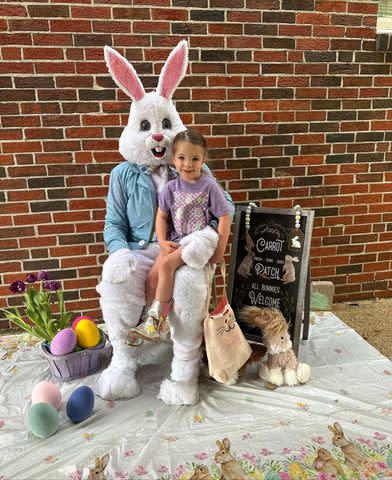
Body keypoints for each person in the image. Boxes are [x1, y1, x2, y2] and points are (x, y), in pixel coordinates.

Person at [128, 129, 232, 345]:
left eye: (195, 158)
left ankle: (155, 321)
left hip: (197, 243)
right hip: (176, 242)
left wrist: (220, 250)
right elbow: (161, 216)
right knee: (153, 276)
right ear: (173, 159)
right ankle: (152, 319)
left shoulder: (209, 186)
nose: (188, 164)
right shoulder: (171, 188)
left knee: (166, 266)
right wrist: (162, 240)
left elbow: (224, 217)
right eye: (182, 158)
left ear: (203, 159)